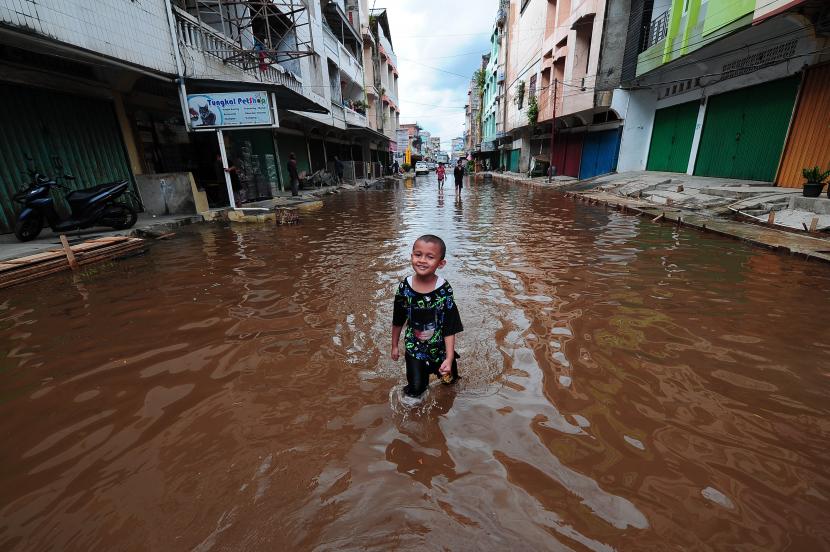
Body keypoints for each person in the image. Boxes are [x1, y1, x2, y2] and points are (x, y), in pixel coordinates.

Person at [391, 235, 463, 398]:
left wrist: (450, 357)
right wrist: (394, 346)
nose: (422, 260)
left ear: (441, 263)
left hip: (440, 349)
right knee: (416, 390)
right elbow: (398, 320)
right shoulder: (404, 288)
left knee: (450, 383)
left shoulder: (444, 290)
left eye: (430, 257)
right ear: (411, 256)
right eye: (418, 255)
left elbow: (449, 326)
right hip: (414, 349)